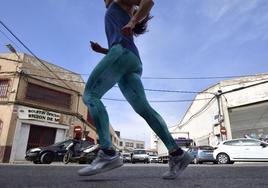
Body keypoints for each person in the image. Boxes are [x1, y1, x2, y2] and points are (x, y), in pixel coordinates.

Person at [78, 0, 193, 179]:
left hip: (122, 54)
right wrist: (102, 50)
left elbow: (149, 1)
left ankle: (108, 153)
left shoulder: (121, 2)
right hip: (131, 60)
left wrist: (132, 22)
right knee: (144, 109)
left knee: (90, 95)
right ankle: (177, 153)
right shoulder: (115, 8)